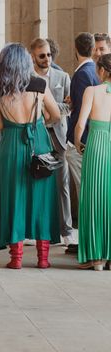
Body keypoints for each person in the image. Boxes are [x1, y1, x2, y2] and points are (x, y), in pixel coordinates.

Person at [0, 43, 61, 269]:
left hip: (11, 143)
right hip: (37, 142)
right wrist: (40, 123)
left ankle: (16, 258)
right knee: (42, 198)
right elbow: (56, 115)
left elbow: (0, 125)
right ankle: (43, 258)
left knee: (13, 196)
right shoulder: (40, 84)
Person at [29, 38, 75, 248]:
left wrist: (49, 107)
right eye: (42, 56)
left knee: (62, 183)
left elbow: (70, 107)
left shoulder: (63, 76)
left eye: (48, 54)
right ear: (33, 57)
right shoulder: (27, 79)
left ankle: (66, 231)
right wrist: (55, 108)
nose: (47, 59)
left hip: (58, 136)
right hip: (36, 135)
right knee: (35, 182)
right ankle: (36, 230)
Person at [75, 53, 111, 270]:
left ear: (101, 71)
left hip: (96, 145)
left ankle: (96, 257)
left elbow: (80, 123)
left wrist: (78, 142)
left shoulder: (92, 91)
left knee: (94, 197)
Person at [66, 33, 100, 205]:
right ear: (93, 49)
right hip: (95, 138)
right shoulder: (95, 72)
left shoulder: (81, 75)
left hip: (82, 141)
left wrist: (76, 142)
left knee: (84, 189)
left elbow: (82, 113)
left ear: (75, 49)